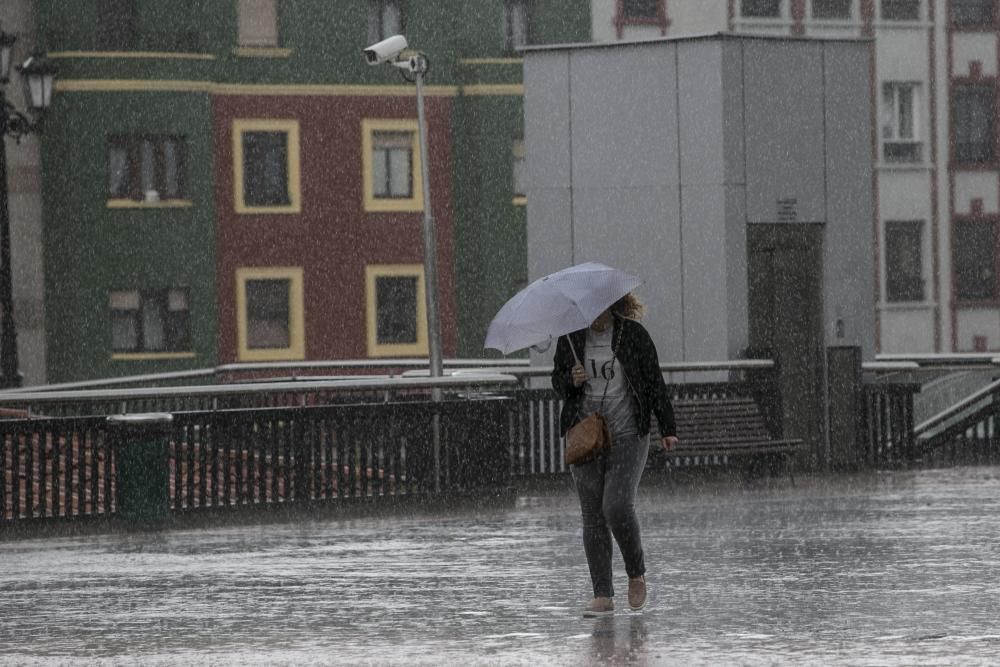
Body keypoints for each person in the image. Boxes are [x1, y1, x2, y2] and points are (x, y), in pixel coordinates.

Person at [551, 293, 679, 617]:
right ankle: (602, 594)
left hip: (628, 434)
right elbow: (558, 383)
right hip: (585, 437)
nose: (594, 316)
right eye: (588, 309)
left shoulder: (632, 335)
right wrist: (571, 379)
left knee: (617, 505)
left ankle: (636, 573)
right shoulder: (571, 340)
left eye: (599, 308)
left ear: (612, 305)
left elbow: (654, 382)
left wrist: (667, 427)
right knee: (592, 515)